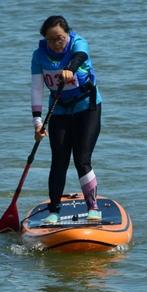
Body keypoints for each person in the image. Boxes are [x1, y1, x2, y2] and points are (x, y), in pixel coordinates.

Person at [31, 15, 103, 224]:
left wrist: (69, 70)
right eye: (50, 40)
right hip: (59, 111)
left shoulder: (78, 43)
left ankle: (93, 208)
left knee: (82, 159)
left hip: (87, 109)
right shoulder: (39, 56)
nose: (55, 44)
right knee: (58, 162)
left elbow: (80, 56)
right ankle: (54, 212)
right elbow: (37, 88)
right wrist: (37, 121)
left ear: (68, 34)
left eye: (59, 38)